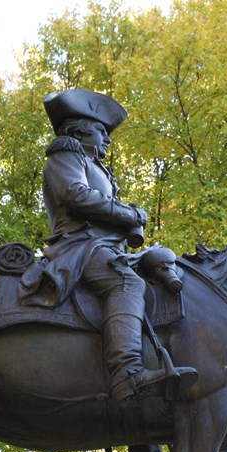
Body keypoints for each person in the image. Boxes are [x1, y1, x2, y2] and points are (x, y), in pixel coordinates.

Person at [33, 88, 197, 408]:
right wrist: (129, 213)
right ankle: (126, 375)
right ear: (79, 131)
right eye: (100, 131)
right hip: (79, 248)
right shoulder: (66, 155)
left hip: (106, 248)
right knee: (126, 282)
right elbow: (75, 196)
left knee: (157, 264)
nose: (107, 139)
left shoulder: (95, 165)